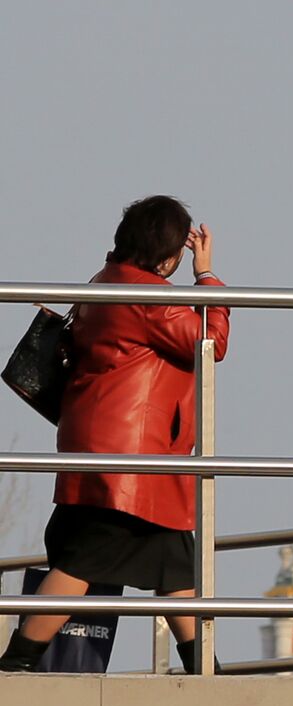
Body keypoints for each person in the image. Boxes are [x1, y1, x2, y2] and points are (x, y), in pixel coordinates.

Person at [0, 195, 229, 674]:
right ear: (168, 255)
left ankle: (208, 674)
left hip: (107, 449)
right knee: (84, 560)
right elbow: (210, 340)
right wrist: (206, 275)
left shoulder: (104, 283)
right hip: (132, 464)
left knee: (175, 568)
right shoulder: (149, 298)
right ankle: (14, 666)